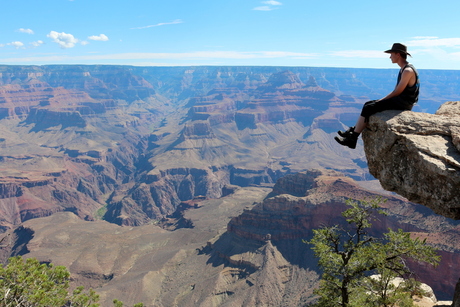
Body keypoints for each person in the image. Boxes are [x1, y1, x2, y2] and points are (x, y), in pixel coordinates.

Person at [335, 43, 419, 149]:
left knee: (369, 107)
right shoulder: (404, 69)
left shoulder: (407, 71)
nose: (390, 57)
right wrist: (380, 101)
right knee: (368, 104)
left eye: (391, 54)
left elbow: (397, 91)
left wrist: (381, 100)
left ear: (398, 54)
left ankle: (352, 139)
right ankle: (352, 131)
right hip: (401, 100)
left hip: (404, 103)